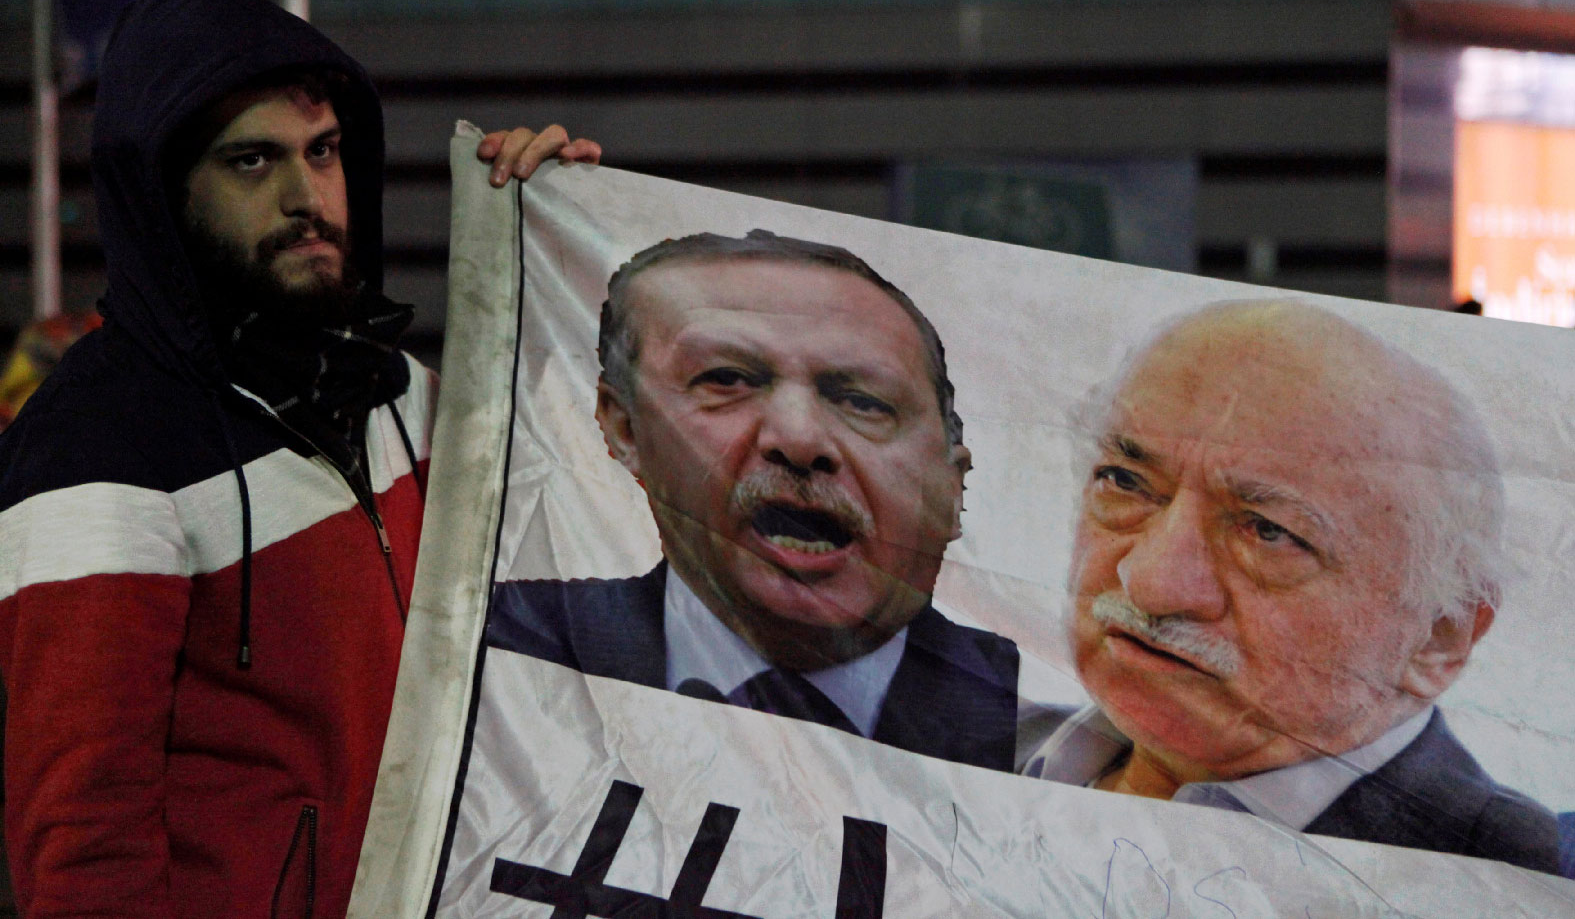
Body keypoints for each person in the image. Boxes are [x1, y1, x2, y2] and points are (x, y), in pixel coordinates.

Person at [0, 0, 599, 918]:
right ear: (162, 192)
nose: (306, 197)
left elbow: (596, 543)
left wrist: (573, 245)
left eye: (323, 152)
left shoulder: (399, 391)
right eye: (253, 161)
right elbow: (85, 846)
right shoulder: (91, 452)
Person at [1021, 299, 1562, 875]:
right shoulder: (956, 737)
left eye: (1269, 532)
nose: (1151, 584)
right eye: (1125, 481)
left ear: (1438, 638)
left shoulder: (1520, 879)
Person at [487, 230, 1020, 770]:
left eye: (864, 402)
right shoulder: (491, 643)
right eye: (728, 379)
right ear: (625, 428)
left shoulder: (1067, 731)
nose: (799, 439)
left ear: (953, 490)